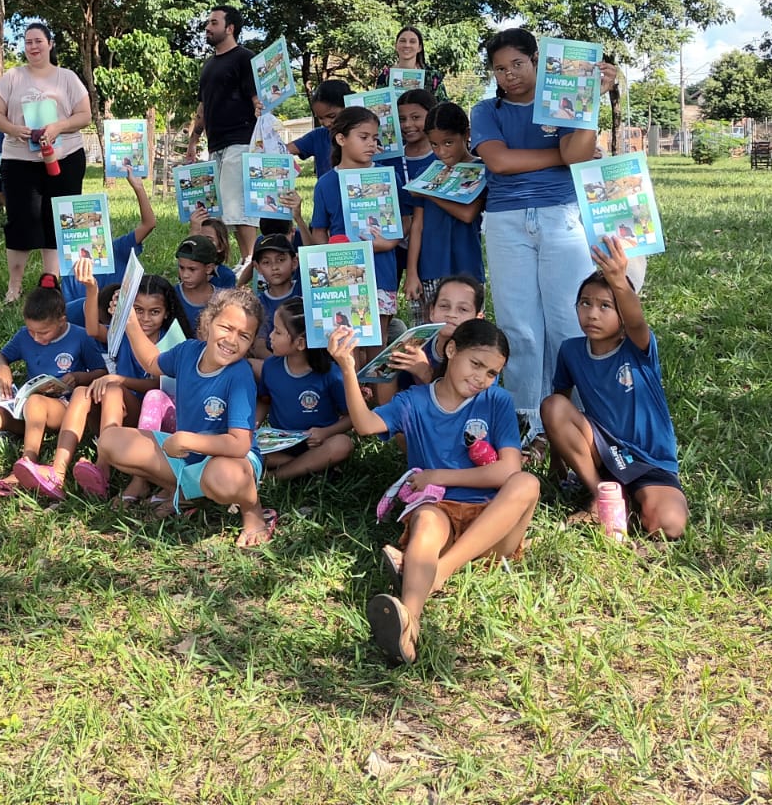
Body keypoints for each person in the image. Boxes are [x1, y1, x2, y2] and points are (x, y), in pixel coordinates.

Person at [331, 319, 538, 665]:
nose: (480, 379)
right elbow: (366, 426)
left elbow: (507, 470)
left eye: (491, 372)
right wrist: (348, 369)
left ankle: (438, 571)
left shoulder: (497, 400)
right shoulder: (413, 401)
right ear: (452, 350)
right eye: (476, 364)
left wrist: (438, 474)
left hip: (492, 525)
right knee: (426, 519)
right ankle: (408, 627)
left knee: (527, 483)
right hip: (440, 510)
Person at [469, 28, 614, 443]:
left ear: (536, 60)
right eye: (500, 68)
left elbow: (579, 151)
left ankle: (573, 412)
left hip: (562, 216)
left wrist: (592, 98)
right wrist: (560, 158)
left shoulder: (563, 104)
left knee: (568, 318)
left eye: (517, 63)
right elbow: (498, 161)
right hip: (505, 222)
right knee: (519, 325)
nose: (509, 75)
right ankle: (525, 419)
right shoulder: (485, 111)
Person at [95, 287, 276, 546]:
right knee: (110, 442)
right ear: (208, 322)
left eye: (244, 336)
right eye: (226, 327)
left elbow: (239, 444)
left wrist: (188, 440)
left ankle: (254, 514)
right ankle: (183, 491)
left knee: (224, 477)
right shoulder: (188, 351)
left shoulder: (240, 376)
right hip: (187, 456)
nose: (232, 340)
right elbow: (151, 362)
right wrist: (130, 321)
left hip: (232, 460)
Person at [541, 235, 688, 539]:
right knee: (552, 405)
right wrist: (556, 465)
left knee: (670, 524)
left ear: (622, 316)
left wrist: (620, 281)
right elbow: (559, 406)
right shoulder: (570, 350)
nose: (592, 313)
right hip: (602, 451)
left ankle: (635, 503)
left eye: (606, 306)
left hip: (649, 460)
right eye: (585, 303)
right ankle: (603, 498)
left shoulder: (637, 347)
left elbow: (637, 322)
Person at [19, 257, 188, 500]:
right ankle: (58, 471)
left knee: (113, 389)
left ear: (166, 313)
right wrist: (91, 288)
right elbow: (93, 330)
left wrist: (119, 380)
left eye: (154, 312)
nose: (145, 318)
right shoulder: (126, 332)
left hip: (144, 419)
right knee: (81, 391)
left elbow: (159, 386)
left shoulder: (170, 341)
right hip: (115, 408)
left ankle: (102, 468)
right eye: (138, 310)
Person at [0, 23, 93, 302]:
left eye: (38, 41)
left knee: (57, 219)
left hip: (66, 157)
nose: (33, 47)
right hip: (19, 160)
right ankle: (14, 287)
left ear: (50, 43)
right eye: (28, 42)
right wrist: (12, 129)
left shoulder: (67, 78)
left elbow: (84, 115)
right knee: (20, 221)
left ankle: (51, 282)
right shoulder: (12, 77)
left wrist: (60, 126)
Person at [0, 276, 106, 497]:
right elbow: (1, 355)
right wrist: (2, 366)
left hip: (67, 408)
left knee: (35, 402)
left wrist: (79, 377)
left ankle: (28, 460)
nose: (35, 337)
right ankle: (27, 467)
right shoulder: (25, 336)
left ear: (62, 320)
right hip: (33, 405)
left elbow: (102, 372)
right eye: (31, 331)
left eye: (42, 332)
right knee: (16, 406)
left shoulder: (80, 337)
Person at [308, 105, 407, 342]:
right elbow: (319, 230)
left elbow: (405, 219)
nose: (372, 144)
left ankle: (377, 382)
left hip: (381, 273)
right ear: (340, 138)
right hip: (341, 276)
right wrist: (329, 256)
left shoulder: (388, 176)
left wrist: (389, 242)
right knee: (348, 346)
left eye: (375, 138)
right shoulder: (325, 183)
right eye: (363, 137)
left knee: (378, 344)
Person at [186, 6, 261, 263]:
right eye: (208, 22)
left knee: (238, 209)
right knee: (220, 211)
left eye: (214, 23)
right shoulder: (208, 66)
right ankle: (234, 264)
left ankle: (250, 261)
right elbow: (203, 107)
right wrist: (194, 140)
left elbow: (256, 99)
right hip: (215, 146)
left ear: (230, 28)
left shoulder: (245, 58)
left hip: (241, 142)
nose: (207, 27)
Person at [259, 299, 353, 480]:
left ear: (300, 343)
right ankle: (309, 467)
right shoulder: (270, 367)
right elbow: (265, 400)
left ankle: (276, 475)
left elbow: (351, 418)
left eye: (278, 332)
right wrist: (252, 426)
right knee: (245, 446)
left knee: (343, 444)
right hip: (279, 444)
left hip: (318, 444)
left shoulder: (331, 374)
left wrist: (325, 433)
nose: (270, 336)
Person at [406, 102, 485, 309]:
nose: (441, 151)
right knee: (427, 330)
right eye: (434, 144)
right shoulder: (426, 172)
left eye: (448, 143)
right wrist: (412, 272)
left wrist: (428, 192)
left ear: (466, 134)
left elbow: (468, 214)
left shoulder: (481, 168)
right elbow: (417, 225)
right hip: (429, 268)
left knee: (467, 331)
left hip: (467, 268)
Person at [61, 170, 157, 324]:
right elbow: (68, 317)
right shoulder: (71, 270)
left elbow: (149, 224)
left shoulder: (117, 249)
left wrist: (138, 187)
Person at [249, 232, 301, 359]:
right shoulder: (259, 305)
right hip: (276, 361)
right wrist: (281, 367)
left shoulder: (305, 290)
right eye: (266, 262)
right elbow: (259, 347)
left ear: (294, 262)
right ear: (258, 268)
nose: (274, 267)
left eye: (281, 260)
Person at [287, 80, 350, 180]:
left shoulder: (365, 136)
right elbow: (282, 151)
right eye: (320, 118)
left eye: (332, 116)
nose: (326, 123)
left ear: (348, 107)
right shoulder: (317, 137)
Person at [374, 26, 445, 99]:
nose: (407, 45)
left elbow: (443, 107)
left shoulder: (432, 76)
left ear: (419, 48)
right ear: (396, 46)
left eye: (412, 41)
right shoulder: (385, 76)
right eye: (402, 41)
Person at [172, 234, 219, 335]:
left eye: (192, 269)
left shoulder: (222, 300)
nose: (185, 275)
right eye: (181, 268)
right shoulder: (171, 296)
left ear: (209, 268)